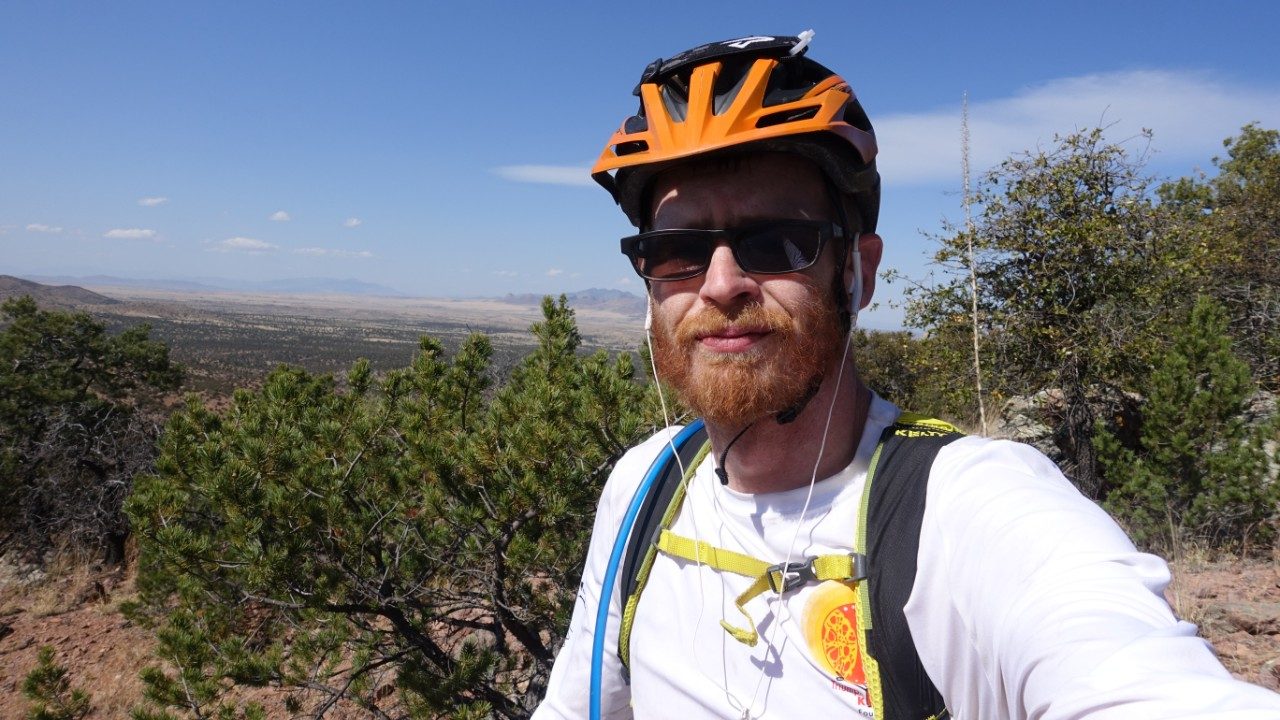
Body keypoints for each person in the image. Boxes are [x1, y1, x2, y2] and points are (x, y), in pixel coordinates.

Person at [533, 33, 1280, 719]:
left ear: (856, 272)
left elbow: (1133, 673)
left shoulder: (964, 508)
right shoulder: (643, 489)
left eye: (779, 241)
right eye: (677, 250)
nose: (721, 284)